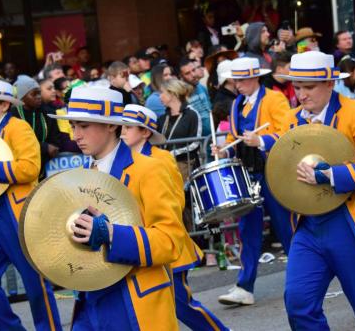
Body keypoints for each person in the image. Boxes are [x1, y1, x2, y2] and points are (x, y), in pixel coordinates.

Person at [273, 50, 355, 330]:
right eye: (297, 87)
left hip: (353, 223)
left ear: (330, 83)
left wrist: (331, 175)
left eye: (309, 87)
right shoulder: (290, 119)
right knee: (298, 304)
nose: (302, 95)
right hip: (309, 226)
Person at [48, 86, 184, 330]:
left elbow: (171, 241)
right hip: (91, 302)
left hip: (135, 301)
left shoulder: (150, 169)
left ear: (111, 125)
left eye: (84, 126)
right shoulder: (84, 175)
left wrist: (111, 233)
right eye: (73, 126)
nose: (75, 135)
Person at [0, 79, 62, 330]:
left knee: (35, 285)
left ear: (5, 105)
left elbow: (30, 168)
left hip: (18, 215)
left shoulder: (17, 128)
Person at [121, 104, 229, 331]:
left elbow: (176, 200)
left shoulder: (162, 158)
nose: (122, 131)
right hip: (144, 244)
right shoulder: (124, 160)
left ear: (145, 132)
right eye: (121, 126)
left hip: (169, 245)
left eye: (128, 127)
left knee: (182, 305)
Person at [212, 57, 295, 305]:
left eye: (242, 80)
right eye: (235, 80)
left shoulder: (274, 99)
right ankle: (244, 287)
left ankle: (303, 280)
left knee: (286, 228)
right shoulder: (237, 103)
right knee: (248, 230)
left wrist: (261, 141)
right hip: (249, 173)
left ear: (254, 78)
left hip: (273, 171)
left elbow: (287, 131)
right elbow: (232, 138)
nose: (237, 85)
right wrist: (224, 150)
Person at [158, 79, 202, 231]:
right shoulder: (163, 118)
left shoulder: (191, 114)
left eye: (162, 93)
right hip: (165, 167)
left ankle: (200, 242)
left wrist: (173, 153)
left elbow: (195, 143)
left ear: (172, 93)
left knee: (187, 204)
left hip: (186, 166)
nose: (159, 97)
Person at [12, 75, 61, 180]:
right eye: (34, 94)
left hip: (45, 171)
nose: (38, 96)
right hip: (20, 171)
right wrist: (43, 147)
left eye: (39, 93)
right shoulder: (12, 115)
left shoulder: (48, 113)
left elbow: (55, 143)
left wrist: (50, 147)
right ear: (22, 96)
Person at [179, 57, 212, 136]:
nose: (193, 75)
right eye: (187, 73)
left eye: (193, 70)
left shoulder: (201, 87)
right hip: (198, 139)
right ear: (181, 76)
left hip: (213, 134)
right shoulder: (181, 94)